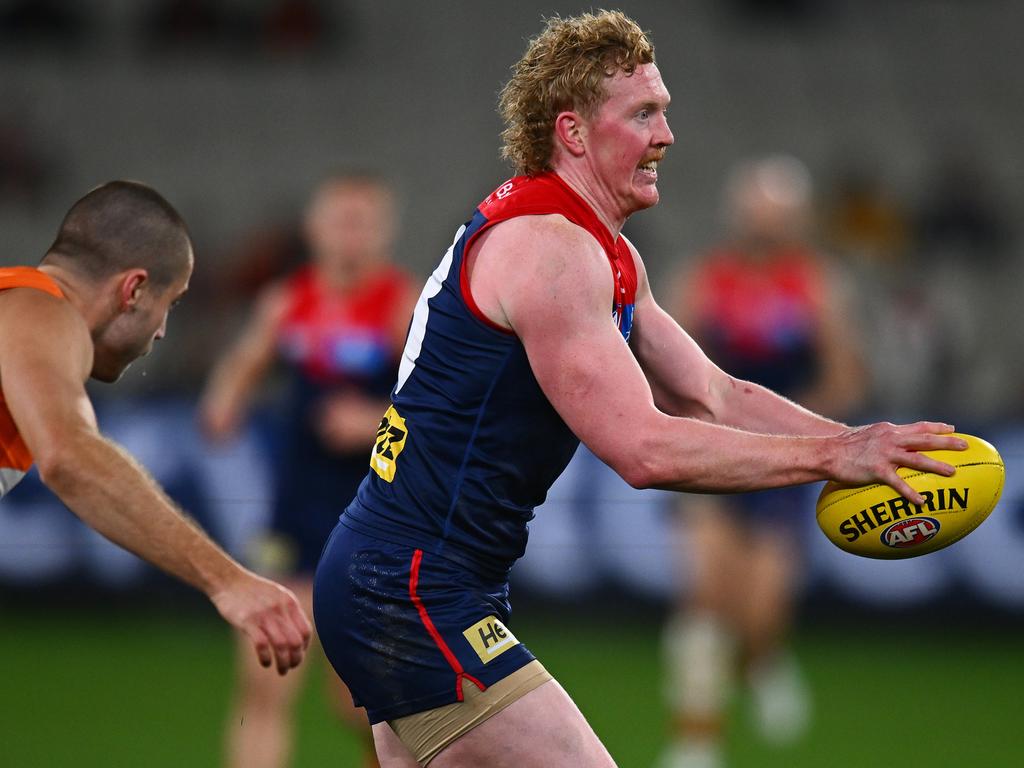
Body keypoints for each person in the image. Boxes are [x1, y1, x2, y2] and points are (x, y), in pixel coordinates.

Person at [311, 11, 965, 768]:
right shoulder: (552, 252)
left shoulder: (599, 247)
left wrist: (862, 445)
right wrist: (830, 456)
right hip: (411, 589)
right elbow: (644, 449)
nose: (666, 136)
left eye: (666, 112)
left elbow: (713, 394)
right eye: (644, 114)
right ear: (574, 132)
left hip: (416, 580)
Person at [0, 180, 311, 677]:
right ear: (134, 289)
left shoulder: (18, 307)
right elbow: (70, 456)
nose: (163, 329)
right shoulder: (41, 310)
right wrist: (227, 580)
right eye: (172, 301)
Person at [199, 172, 416, 768]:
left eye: (363, 221)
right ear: (314, 228)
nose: (351, 234)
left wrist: (375, 418)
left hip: (371, 531)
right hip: (290, 522)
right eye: (340, 220)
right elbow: (244, 363)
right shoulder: (288, 301)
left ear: (383, 232)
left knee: (363, 707)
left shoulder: (401, 306)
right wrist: (223, 403)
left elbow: (441, 409)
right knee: (263, 684)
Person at [657, 156, 866, 768]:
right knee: (704, 598)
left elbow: (846, 374)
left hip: (786, 464)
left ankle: (763, 659)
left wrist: (792, 422)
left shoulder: (816, 284)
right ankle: (696, 741)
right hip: (716, 454)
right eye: (757, 214)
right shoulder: (703, 279)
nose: (764, 227)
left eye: (777, 218)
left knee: (760, 614)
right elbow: (663, 359)